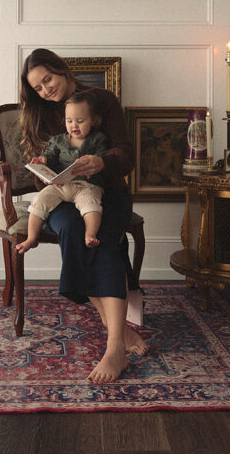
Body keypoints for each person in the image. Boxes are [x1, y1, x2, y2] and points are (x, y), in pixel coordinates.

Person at [19, 48, 146, 383]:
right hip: (61, 197)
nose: (45, 90)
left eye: (47, 79)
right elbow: (39, 176)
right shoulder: (40, 115)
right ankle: (115, 328)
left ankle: (115, 347)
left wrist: (101, 162)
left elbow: (127, 154)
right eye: (38, 88)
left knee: (100, 236)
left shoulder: (102, 100)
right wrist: (42, 169)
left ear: (62, 70)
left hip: (107, 191)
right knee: (75, 232)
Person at [16, 91, 108, 254]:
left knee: (91, 204)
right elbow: (49, 156)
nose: (74, 125)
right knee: (39, 200)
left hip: (86, 185)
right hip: (60, 184)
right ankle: (31, 238)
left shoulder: (98, 138)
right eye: (69, 121)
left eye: (80, 121)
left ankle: (90, 235)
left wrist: (95, 160)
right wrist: (43, 160)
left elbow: (103, 157)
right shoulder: (57, 141)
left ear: (93, 120)